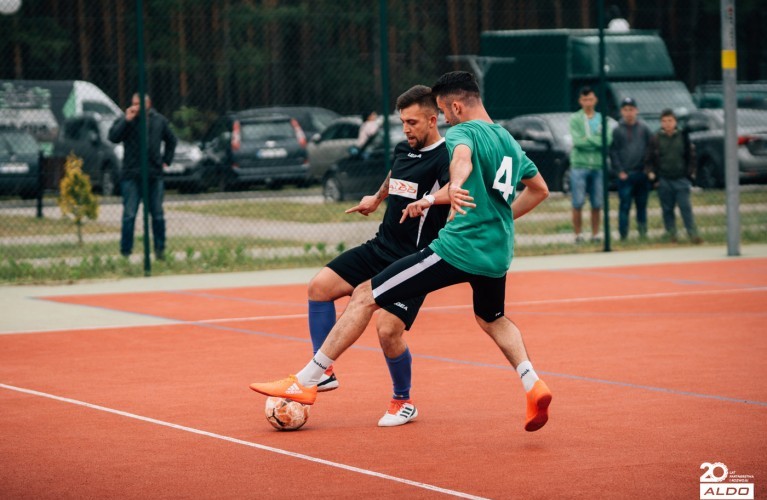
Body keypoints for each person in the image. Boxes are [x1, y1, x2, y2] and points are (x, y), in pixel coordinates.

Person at [251, 71, 553, 432]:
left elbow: (461, 159)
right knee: (493, 318)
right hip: (496, 253)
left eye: (445, 111)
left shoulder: (463, 133)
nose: (446, 118)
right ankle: (533, 383)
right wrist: (500, 219)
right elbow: (540, 189)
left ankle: (306, 380)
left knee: (365, 296)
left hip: (459, 247)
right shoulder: (508, 141)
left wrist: (453, 186)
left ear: (456, 107)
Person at [307, 84, 451, 427]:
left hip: (413, 260)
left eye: (413, 122)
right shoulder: (404, 148)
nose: (406, 129)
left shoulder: (446, 157)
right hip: (380, 246)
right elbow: (396, 174)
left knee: (387, 330)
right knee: (319, 287)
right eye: (403, 122)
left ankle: (404, 401)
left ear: (432, 120)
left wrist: (429, 201)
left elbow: (453, 187)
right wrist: (377, 197)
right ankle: (323, 371)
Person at [109, 93, 177, 260]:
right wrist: (126, 120)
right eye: (133, 103)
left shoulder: (159, 120)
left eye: (139, 104)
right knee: (129, 215)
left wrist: (166, 160)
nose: (135, 107)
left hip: (154, 175)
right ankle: (126, 252)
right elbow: (113, 137)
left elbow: (172, 140)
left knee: (157, 214)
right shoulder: (126, 120)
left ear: (148, 104)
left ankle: (160, 250)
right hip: (131, 175)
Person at [645, 109, 703, 244]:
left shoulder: (683, 137)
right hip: (664, 179)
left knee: (685, 207)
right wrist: (651, 174)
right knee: (667, 209)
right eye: (664, 121)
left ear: (675, 122)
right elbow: (649, 159)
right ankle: (671, 234)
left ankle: (692, 234)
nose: (667, 124)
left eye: (670, 121)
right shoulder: (656, 139)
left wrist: (690, 174)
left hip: (681, 179)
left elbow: (691, 157)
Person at [569, 86, 612, 243]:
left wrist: (588, 139)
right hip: (579, 165)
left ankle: (595, 234)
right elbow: (577, 141)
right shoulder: (575, 118)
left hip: (598, 166)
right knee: (578, 202)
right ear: (580, 101)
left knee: (597, 203)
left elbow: (607, 141)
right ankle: (578, 235)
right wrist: (596, 141)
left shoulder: (603, 119)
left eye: (590, 99)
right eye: (585, 99)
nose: (588, 102)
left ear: (596, 100)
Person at [609, 97, 652, 241]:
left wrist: (648, 169)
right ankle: (623, 236)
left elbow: (651, 149)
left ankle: (642, 234)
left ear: (636, 111)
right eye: (626, 110)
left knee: (641, 206)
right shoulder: (617, 130)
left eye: (631, 109)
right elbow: (613, 152)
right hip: (625, 176)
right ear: (621, 111)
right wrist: (620, 171)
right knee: (624, 206)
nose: (628, 113)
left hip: (641, 174)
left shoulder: (644, 129)